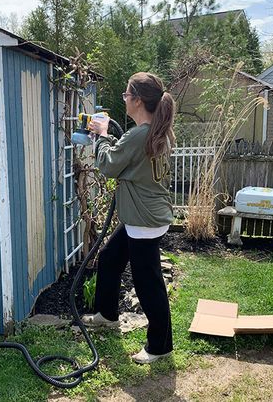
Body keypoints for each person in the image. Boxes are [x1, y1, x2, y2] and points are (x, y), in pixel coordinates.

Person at [82, 72, 175, 365]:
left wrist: (99, 137)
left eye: (125, 94)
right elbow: (127, 158)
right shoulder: (155, 131)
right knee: (111, 256)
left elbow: (109, 165)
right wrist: (109, 136)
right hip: (148, 214)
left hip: (144, 220)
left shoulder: (140, 134)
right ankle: (107, 315)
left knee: (148, 284)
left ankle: (160, 346)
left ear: (137, 100)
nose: (123, 99)